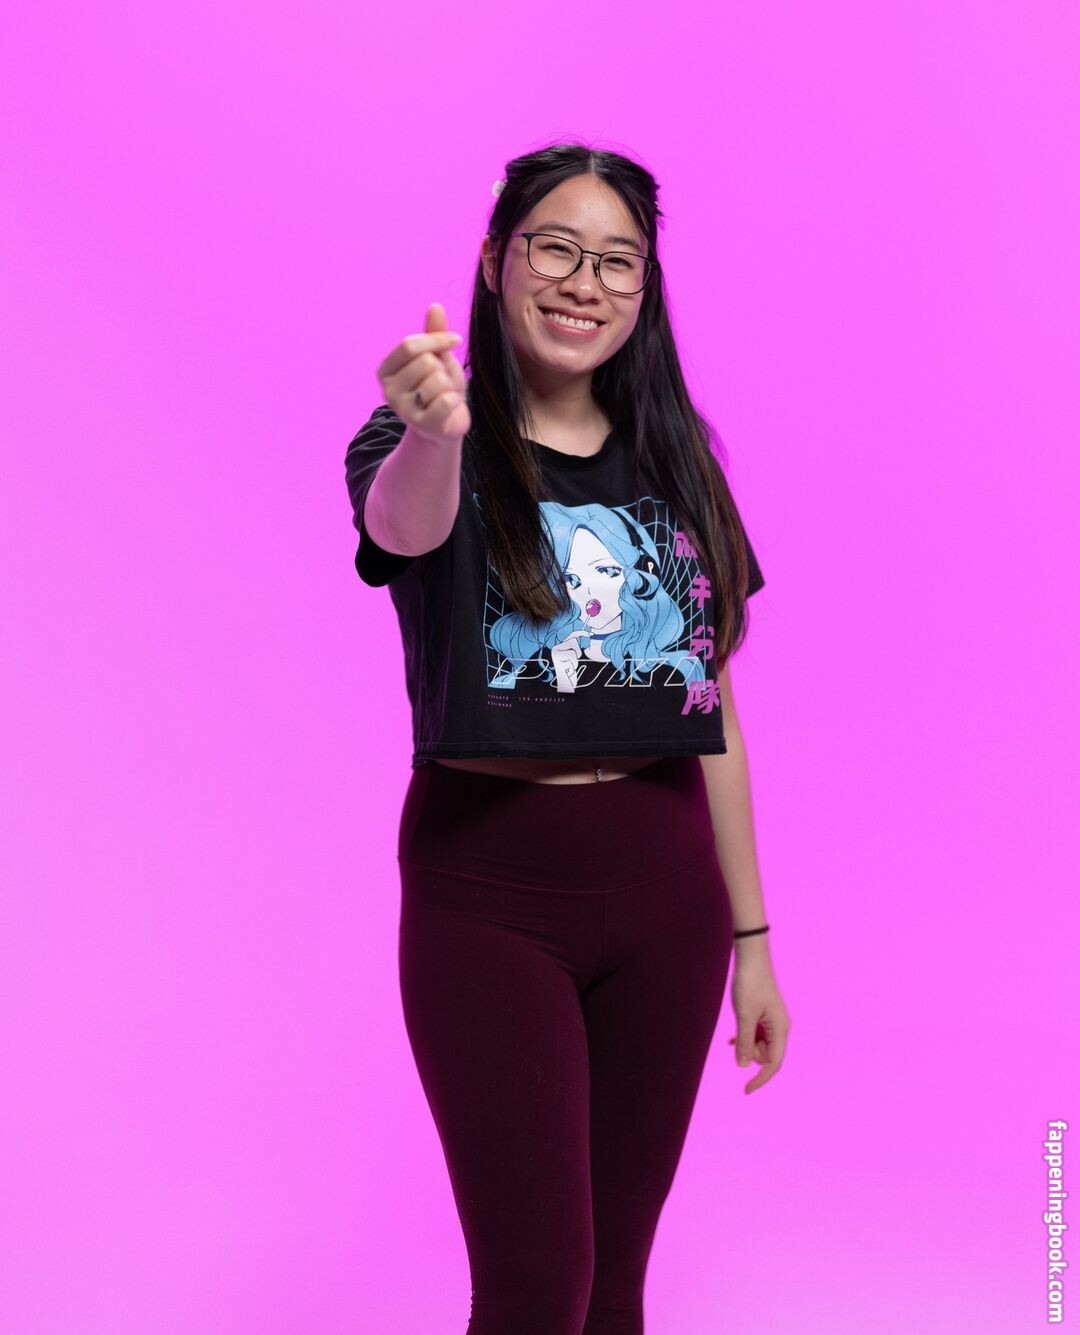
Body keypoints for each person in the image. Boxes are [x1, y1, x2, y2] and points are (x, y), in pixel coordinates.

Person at [344, 141, 791, 1335]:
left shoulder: (680, 458)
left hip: (666, 892)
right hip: (491, 891)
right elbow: (401, 529)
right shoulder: (420, 441)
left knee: (616, 1292)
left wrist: (752, 941)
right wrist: (434, 432)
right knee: (536, 1290)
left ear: (644, 287)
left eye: (618, 261)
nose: (584, 283)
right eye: (556, 248)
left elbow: (715, 709)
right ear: (497, 260)